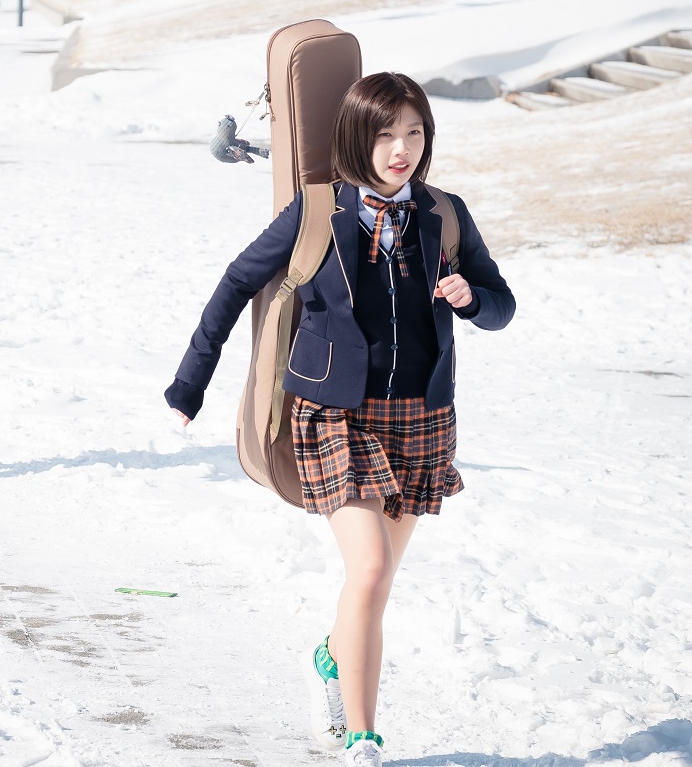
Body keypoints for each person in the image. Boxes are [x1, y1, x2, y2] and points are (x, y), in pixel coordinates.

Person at [165, 72, 515, 767]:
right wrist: (190, 381)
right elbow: (237, 281)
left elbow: (501, 305)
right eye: (386, 134)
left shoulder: (444, 215)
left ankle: (331, 656)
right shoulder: (320, 211)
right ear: (358, 137)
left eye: (414, 133)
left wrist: (472, 298)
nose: (402, 149)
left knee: (372, 585)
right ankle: (363, 739)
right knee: (372, 569)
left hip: (421, 417)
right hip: (333, 414)